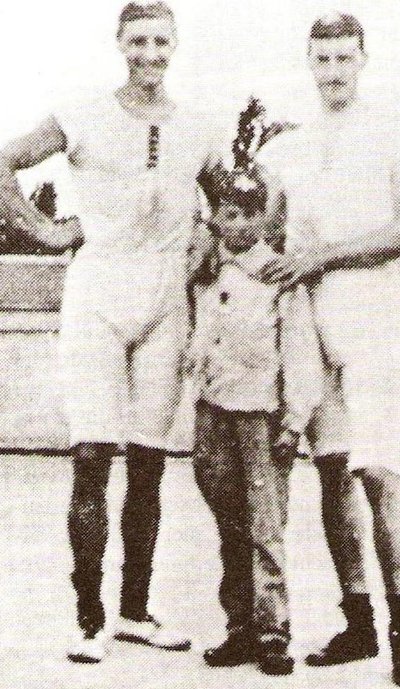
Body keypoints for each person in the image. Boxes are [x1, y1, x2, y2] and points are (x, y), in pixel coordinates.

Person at [0, 1, 224, 663]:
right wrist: (43, 231)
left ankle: (134, 610)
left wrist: (210, 242)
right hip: (97, 291)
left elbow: (238, 198)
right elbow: (5, 160)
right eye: (138, 41)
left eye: (160, 41)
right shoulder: (85, 113)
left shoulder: (199, 127)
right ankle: (88, 617)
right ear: (120, 45)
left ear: (175, 45)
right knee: (93, 457)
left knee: (150, 466)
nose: (149, 53)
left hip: (165, 298)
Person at [256, 12, 400, 688]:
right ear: (309, 62)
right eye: (322, 59)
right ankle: (356, 620)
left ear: (363, 59)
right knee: (330, 472)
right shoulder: (287, 149)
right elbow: (265, 235)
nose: (333, 71)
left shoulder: (398, 131)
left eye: (343, 58)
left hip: (371, 316)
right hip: (309, 321)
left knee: (379, 472)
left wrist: (322, 254)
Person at [189, 133, 324, 675]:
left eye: (250, 214)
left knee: (266, 525)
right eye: (228, 213)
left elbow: (299, 353)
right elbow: (199, 343)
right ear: (216, 219)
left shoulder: (277, 280)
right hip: (214, 414)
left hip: (262, 419)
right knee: (229, 522)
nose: (239, 224)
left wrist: (294, 422)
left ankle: (273, 630)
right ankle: (239, 625)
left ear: (266, 221)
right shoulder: (208, 275)